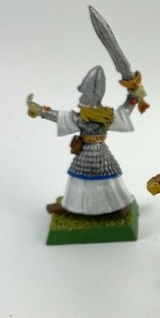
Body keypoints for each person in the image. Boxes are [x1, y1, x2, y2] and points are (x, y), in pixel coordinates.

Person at [26, 65, 145, 215]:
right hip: (86, 150)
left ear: (91, 95)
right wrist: (41, 111)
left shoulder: (107, 115)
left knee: (107, 178)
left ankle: (118, 205)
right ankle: (70, 205)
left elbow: (124, 112)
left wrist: (134, 96)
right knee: (78, 178)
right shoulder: (84, 116)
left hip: (99, 151)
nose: (81, 96)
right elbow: (61, 117)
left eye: (83, 92)